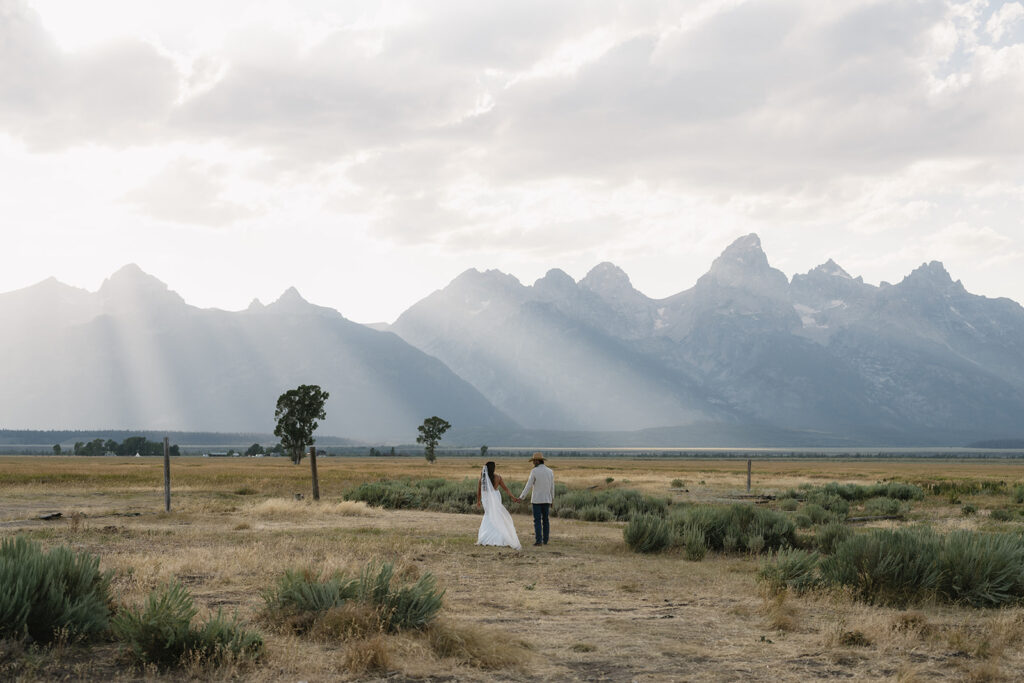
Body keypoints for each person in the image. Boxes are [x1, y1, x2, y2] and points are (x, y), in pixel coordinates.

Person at [476, 461, 521, 549]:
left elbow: (479, 491)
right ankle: (500, 536)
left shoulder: (482, 479)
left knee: (488, 515)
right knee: (497, 515)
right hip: (495, 497)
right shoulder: (498, 477)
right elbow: (506, 489)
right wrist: (513, 497)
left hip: (487, 499)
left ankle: (485, 537)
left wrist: (478, 501)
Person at [518, 452, 554, 546]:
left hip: (537, 500)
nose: (533, 463)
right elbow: (552, 487)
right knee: (546, 520)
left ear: (538, 461)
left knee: (537, 520)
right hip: (547, 499)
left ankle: (539, 541)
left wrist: (522, 497)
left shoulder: (534, 471)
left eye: (534, 461)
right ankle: (545, 540)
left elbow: (528, 485)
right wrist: (552, 499)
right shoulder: (550, 471)